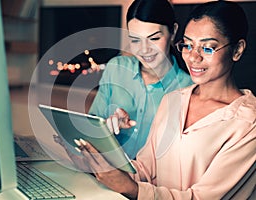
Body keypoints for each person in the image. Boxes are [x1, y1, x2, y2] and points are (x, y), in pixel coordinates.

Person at [73, 1, 256, 199]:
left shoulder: (248, 123)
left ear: (237, 50)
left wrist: (132, 189)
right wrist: (102, 164)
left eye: (208, 48)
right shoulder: (173, 100)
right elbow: (144, 168)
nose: (193, 57)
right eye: (188, 45)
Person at [88, 0, 193, 159]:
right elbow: (92, 125)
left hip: (154, 181)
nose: (144, 49)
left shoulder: (189, 86)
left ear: (173, 32)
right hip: (106, 170)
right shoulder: (116, 68)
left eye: (154, 38)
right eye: (135, 40)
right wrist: (108, 129)